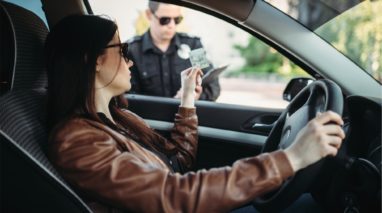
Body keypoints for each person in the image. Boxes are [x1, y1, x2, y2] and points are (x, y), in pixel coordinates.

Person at [46, 14, 345, 213]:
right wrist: (291, 158)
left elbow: (178, 163)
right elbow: (173, 194)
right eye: (122, 50)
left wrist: (188, 97)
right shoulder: (76, 141)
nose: (130, 61)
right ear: (93, 60)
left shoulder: (121, 118)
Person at [127, 2, 220, 101]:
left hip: (188, 114)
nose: (171, 25)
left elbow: (213, 86)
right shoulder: (132, 51)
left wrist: (196, 96)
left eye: (177, 20)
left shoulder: (193, 46)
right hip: (148, 116)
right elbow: (128, 97)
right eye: (165, 20)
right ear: (149, 14)